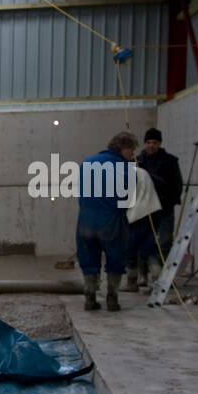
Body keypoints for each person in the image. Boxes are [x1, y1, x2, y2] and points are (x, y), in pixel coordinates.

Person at [76, 131, 137, 312]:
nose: (133, 154)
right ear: (123, 148)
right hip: (111, 220)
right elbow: (130, 199)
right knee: (115, 258)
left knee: (88, 258)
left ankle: (90, 298)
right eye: (132, 150)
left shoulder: (87, 163)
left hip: (85, 220)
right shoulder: (126, 168)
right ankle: (112, 298)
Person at [126, 128, 182, 290]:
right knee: (141, 243)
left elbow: (176, 185)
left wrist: (169, 202)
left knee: (164, 242)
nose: (151, 146)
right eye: (149, 142)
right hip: (142, 211)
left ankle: (163, 278)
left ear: (160, 143)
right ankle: (143, 277)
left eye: (155, 143)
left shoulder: (170, 161)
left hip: (164, 209)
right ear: (145, 143)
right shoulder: (137, 161)